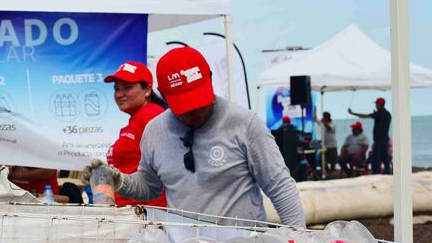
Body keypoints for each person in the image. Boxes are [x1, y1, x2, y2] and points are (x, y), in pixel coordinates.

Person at [81, 47, 305, 227]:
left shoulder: (244, 124)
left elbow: (280, 187)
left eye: (199, 101)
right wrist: (121, 181)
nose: (196, 111)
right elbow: (150, 187)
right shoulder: (155, 131)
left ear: (209, 80)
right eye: (185, 106)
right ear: (165, 95)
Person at [103, 61, 167, 206]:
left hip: (145, 217)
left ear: (147, 90)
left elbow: (168, 170)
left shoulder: (152, 115)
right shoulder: (139, 118)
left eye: (127, 87)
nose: (119, 94)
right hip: (132, 215)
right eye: (116, 88)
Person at [348, 97, 392, 174]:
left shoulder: (379, 113)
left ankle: (376, 174)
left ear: (379, 104)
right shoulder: (387, 114)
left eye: (376, 104)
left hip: (379, 140)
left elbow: (364, 116)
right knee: (385, 158)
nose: (375, 105)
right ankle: (387, 173)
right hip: (385, 139)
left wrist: (353, 113)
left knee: (376, 159)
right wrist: (376, 115)